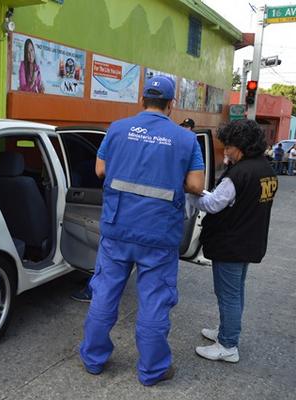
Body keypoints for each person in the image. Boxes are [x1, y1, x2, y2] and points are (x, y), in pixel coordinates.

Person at [79, 75, 205, 386]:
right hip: (159, 234)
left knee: (105, 294)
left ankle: (93, 359)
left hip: (118, 227)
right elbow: (196, 185)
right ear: (171, 104)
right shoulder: (185, 139)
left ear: (142, 100)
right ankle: (153, 370)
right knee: (154, 301)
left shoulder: (117, 129)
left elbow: (100, 170)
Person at [187, 119, 277, 362]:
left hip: (231, 243)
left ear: (243, 146)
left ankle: (227, 345)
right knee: (235, 292)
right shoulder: (265, 169)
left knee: (228, 294)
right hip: (250, 241)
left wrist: (192, 193)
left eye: (229, 146)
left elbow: (213, 204)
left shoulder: (238, 173)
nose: (225, 151)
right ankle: (227, 331)